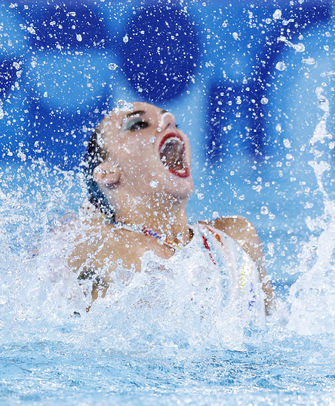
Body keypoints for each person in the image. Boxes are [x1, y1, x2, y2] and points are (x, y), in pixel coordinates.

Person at [65, 101, 274, 317]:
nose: (169, 122)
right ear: (107, 173)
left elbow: (274, 330)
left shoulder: (235, 238)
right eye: (138, 124)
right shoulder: (97, 250)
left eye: (175, 122)